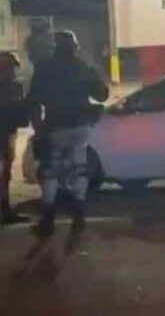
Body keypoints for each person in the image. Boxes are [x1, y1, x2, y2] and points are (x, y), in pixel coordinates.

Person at [27, 31, 109, 238]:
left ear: (55, 47)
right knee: (80, 169)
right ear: (75, 47)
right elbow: (102, 94)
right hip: (81, 126)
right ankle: (79, 215)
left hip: (55, 127)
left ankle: (48, 220)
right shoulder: (84, 67)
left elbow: (33, 101)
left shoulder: (44, 69)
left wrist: (38, 126)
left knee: (52, 172)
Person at [0, 51, 29, 226]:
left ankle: (5, 209)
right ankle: (5, 210)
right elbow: (19, 113)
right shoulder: (14, 88)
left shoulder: (15, 87)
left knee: (5, 173)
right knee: (4, 173)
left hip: (8, 134)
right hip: (6, 134)